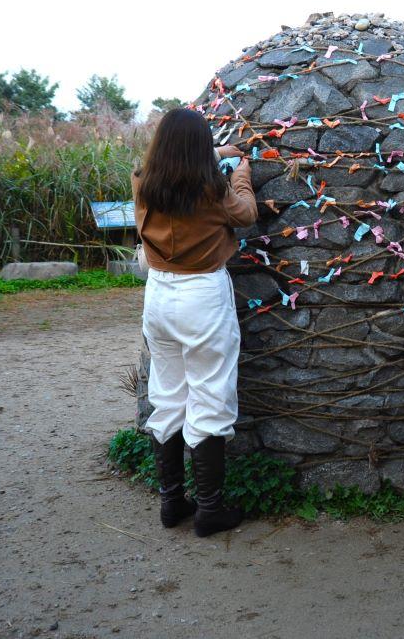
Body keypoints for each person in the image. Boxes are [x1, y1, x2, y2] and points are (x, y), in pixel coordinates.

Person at [133, 108, 258, 538]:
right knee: (210, 394)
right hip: (202, 295)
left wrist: (218, 150)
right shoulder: (212, 187)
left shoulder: (143, 182)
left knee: (167, 397)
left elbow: (177, 166)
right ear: (200, 148)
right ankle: (210, 509)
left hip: (159, 296)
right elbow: (246, 215)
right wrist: (241, 172)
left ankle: (172, 503)